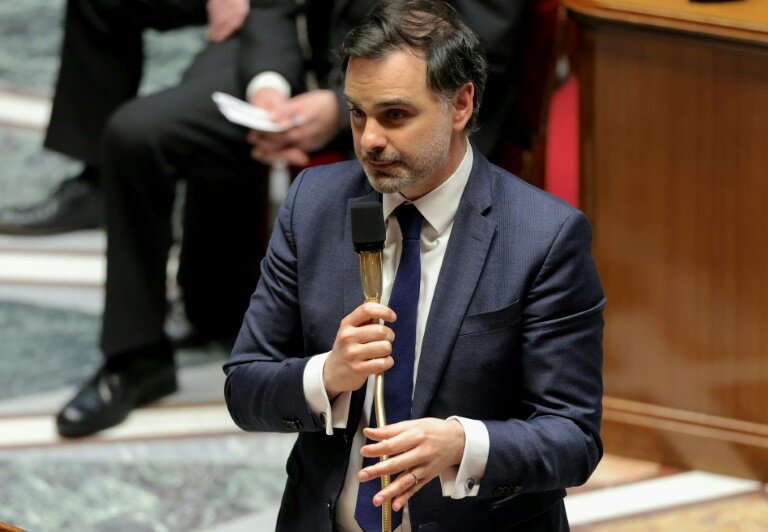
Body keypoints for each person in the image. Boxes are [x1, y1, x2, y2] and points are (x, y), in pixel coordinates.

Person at [223, 1, 606, 530]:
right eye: (358, 113)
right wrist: (327, 376)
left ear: (460, 104)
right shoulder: (313, 203)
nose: (370, 139)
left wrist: (463, 444)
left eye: (395, 115)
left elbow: (574, 438)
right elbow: (244, 388)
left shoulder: (543, 236)